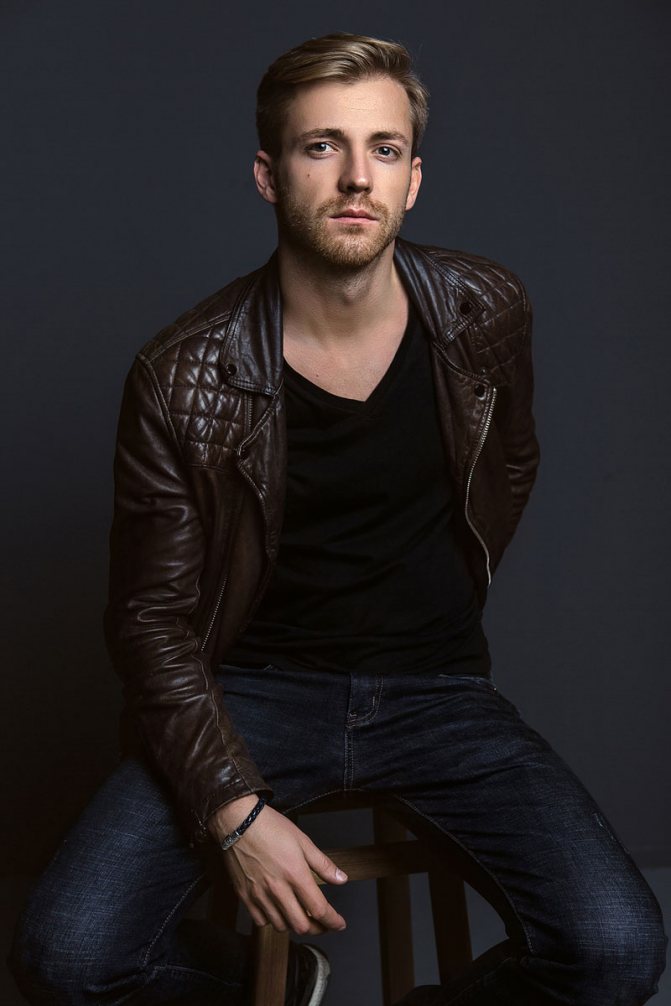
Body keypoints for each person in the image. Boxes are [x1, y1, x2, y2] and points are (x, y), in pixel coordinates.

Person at [9, 31, 667, 1006]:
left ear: (412, 180)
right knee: (65, 957)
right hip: (250, 695)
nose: (357, 176)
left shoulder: (484, 309)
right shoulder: (182, 372)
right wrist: (233, 810)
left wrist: (429, 601)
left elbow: (508, 466)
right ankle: (270, 988)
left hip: (437, 691)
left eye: (383, 149)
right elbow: (149, 621)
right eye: (322, 146)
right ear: (268, 175)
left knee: (615, 950)